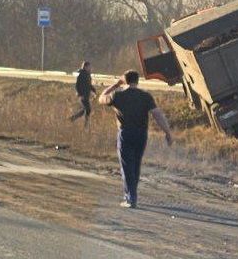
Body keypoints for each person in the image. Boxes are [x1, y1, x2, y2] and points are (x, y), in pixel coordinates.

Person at [98, 69, 173, 209]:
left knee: (127, 166)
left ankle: (131, 198)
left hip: (125, 133)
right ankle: (132, 195)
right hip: (141, 134)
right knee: (135, 165)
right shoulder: (146, 96)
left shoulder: (117, 95)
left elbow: (101, 97)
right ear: (137, 81)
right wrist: (167, 132)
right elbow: (158, 115)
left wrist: (116, 84)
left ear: (125, 80)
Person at [69, 61, 97, 129]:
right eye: (89, 66)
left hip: (86, 95)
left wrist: (94, 90)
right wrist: (80, 94)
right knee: (88, 109)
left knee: (85, 109)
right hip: (83, 95)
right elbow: (77, 85)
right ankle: (86, 126)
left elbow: (89, 85)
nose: (90, 68)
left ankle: (72, 119)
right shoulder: (81, 75)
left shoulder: (88, 75)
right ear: (85, 67)